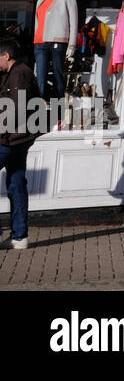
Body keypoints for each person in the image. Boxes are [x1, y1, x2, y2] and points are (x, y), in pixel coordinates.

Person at [0, 39, 41, 249]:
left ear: (6, 56)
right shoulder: (12, 73)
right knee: (16, 184)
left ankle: (18, 234)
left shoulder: (19, 73)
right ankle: (19, 237)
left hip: (10, 139)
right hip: (17, 139)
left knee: (17, 185)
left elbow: (15, 109)